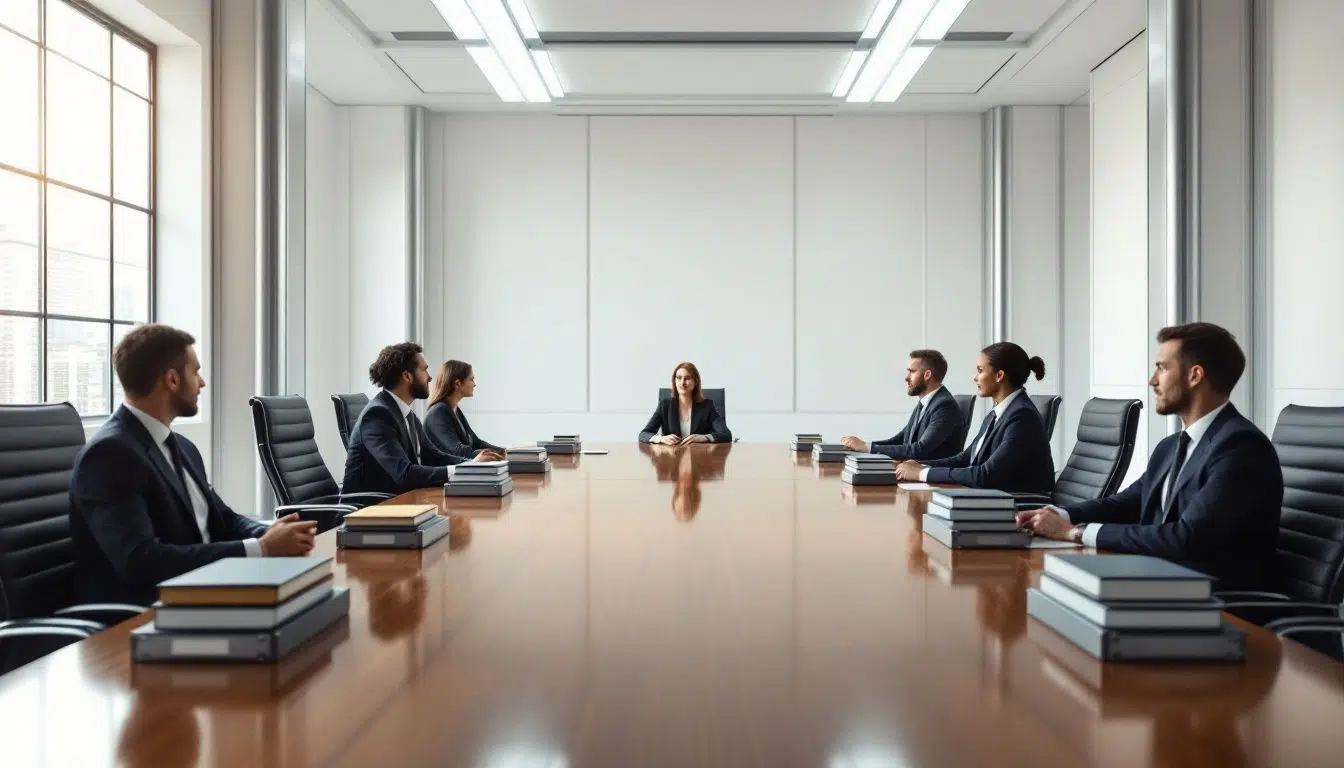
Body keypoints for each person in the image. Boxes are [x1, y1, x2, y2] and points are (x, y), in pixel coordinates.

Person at [1017, 323, 1283, 591]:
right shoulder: (1171, 447)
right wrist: (1054, 514)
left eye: (1162, 368)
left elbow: (1185, 537)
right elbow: (1127, 504)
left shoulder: (1240, 447)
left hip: (1212, 602)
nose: (1152, 380)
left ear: (1195, 376)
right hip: (1158, 581)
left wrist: (1074, 532)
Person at [69, 324, 316, 605]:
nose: (202, 382)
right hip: (140, 616)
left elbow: (224, 520)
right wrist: (260, 548)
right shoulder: (110, 455)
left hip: (201, 592)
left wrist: (269, 533)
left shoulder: (182, 447)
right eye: (195, 371)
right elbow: (139, 561)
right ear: (172, 380)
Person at [894, 342, 1055, 495]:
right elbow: (965, 459)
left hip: (1021, 503)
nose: (975, 378)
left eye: (980, 370)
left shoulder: (1022, 416)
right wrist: (919, 465)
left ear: (999, 375)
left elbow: (985, 474)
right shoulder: (998, 412)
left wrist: (922, 473)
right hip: (995, 497)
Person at [342, 342, 490, 496]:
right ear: (407, 376)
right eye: (424, 370)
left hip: (401, 504)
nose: (430, 377)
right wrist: (468, 468)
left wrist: (473, 465)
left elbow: (434, 456)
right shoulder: (378, 416)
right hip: (370, 511)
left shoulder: (406, 414)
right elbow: (405, 474)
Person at [840, 349, 964, 461]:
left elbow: (919, 449)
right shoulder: (926, 402)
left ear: (927, 375)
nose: (906, 377)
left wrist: (866, 447)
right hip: (911, 472)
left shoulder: (944, 406)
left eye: (912, 372)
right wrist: (864, 445)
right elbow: (900, 439)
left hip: (932, 480)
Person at [424, 360, 505, 461]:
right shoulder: (438, 412)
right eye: (471, 379)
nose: (474, 384)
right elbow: (457, 451)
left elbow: (477, 443)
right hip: (445, 475)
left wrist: (503, 451)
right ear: (457, 384)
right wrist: (493, 454)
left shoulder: (455, 410)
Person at [639, 362, 732, 444]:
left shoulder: (707, 406)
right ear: (674, 381)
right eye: (679, 378)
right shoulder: (665, 405)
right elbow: (643, 434)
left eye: (687, 378)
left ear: (695, 382)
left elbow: (726, 435)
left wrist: (704, 437)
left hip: (700, 458)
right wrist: (661, 439)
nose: (682, 382)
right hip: (671, 459)